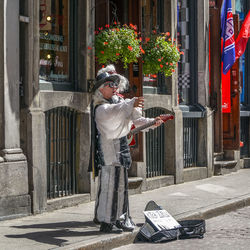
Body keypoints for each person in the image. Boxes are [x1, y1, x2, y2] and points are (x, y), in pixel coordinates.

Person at [89, 65, 163, 233]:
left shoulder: (120, 103)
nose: (114, 88)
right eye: (110, 84)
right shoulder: (100, 106)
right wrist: (130, 103)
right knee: (109, 184)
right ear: (101, 88)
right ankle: (107, 220)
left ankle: (120, 218)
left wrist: (153, 121)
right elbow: (111, 113)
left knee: (121, 184)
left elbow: (137, 120)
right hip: (108, 151)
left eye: (116, 84)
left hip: (121, 149)